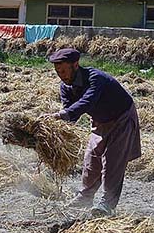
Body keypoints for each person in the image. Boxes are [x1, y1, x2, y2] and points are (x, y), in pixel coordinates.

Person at [43, 48, 141, 216]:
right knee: (91, 159)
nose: (62, 75)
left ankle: (107, 205)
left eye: (64, 70)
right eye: (58, 72)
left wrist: (61, 115)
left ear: (75, 65)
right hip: (99, 121)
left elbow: (87, 101)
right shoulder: (66, 87)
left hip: (121, 118)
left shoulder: (96, 78)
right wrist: (52, 128)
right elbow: (70, 114)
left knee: (112, 161)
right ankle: (85, 198)